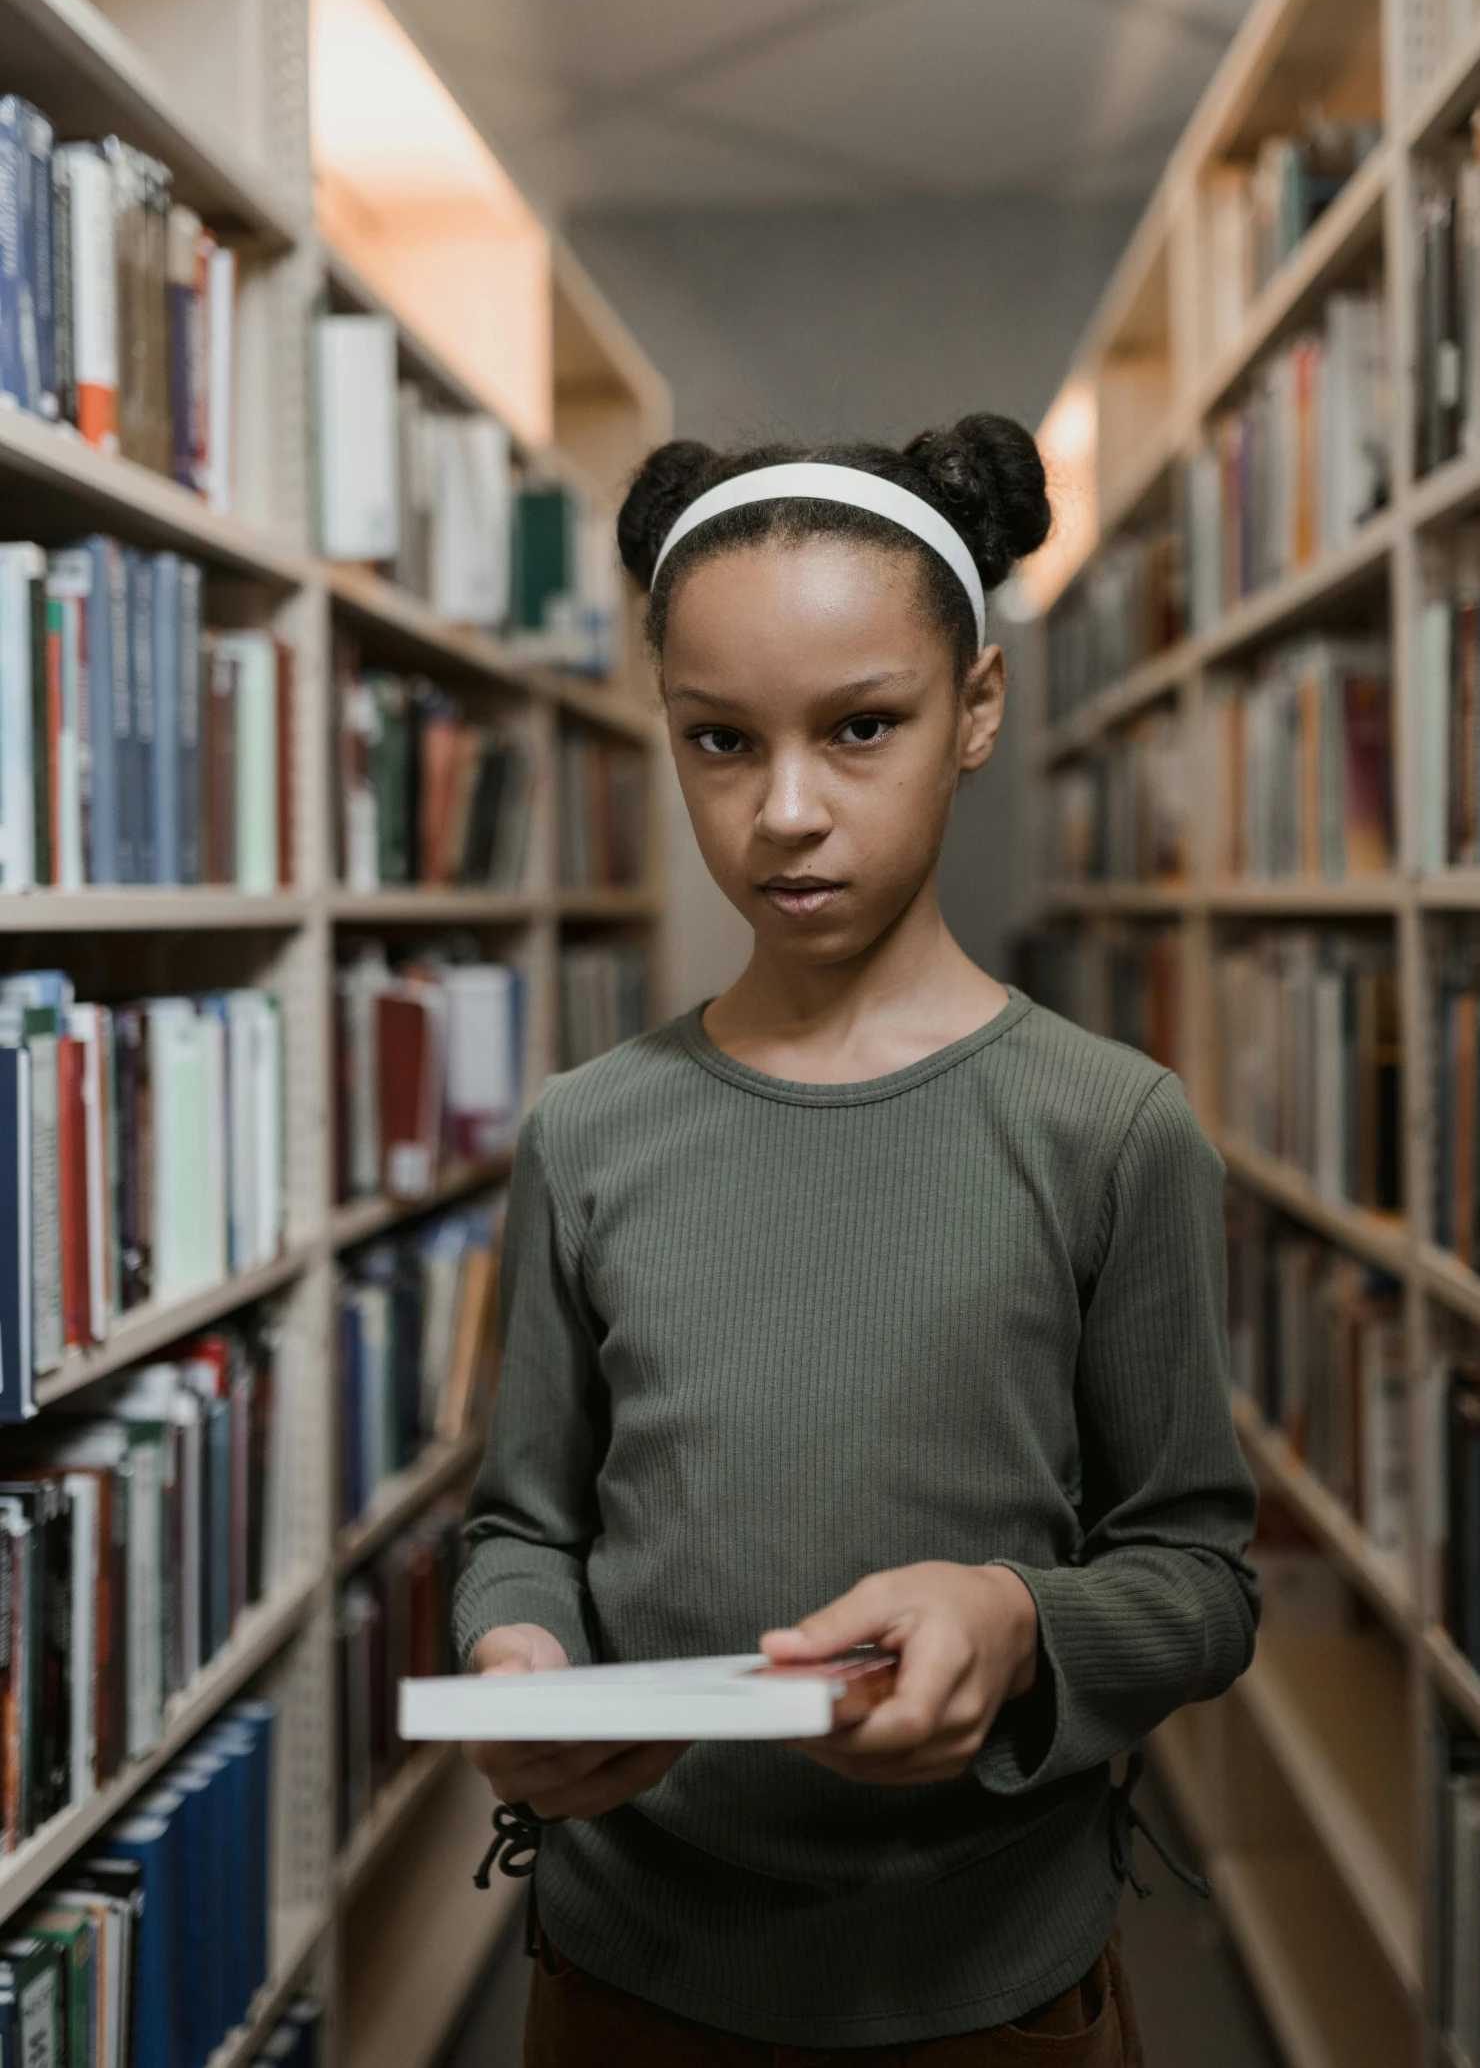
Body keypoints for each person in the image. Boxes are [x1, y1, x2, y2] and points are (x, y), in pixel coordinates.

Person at [456, 416, 1259, 2064]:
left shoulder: (1109, 1129)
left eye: (861, 727)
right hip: (626, 1976)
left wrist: (1017, 1616)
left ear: (975, 710)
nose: (787, 811)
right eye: (720, 742)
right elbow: (520, 1516)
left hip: (987, 1991)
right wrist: (515, 1649)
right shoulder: (586, 1131)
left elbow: (1197, 1577)